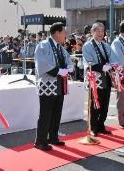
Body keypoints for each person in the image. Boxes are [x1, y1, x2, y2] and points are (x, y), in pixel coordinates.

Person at [34, 22, 74, 151]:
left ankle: (53, 137)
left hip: (60, 83)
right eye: (63, 32)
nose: (65, 35)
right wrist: (58, 71)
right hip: (48, 83)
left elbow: (67, 59)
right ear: (56, 33)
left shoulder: (60, 47)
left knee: (56, 112)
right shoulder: (43, 45)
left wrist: (69, 66)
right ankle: (40, 141)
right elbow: (42, 64)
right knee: (46, 113)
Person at [82, 22, 113, 136]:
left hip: (107, 78)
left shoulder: (106, 45)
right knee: (95, 103)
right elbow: (88, 62)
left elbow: (112, 58)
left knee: (105, 104)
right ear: (92, 32)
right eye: (98, 30)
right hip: (95, 78)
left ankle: (101, 125)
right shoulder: (88, 45)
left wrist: (114, 65)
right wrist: (101, 66)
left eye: (102, 30)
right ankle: (93, 127)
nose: (100, 33)